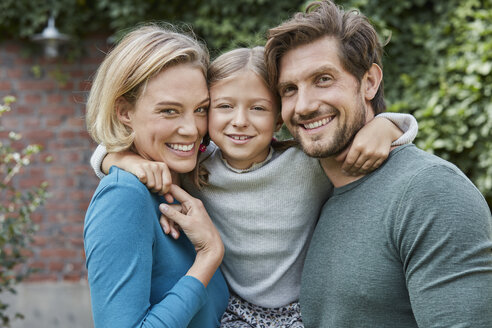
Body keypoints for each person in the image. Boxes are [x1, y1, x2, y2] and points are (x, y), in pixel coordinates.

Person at [90, 44, 418, 327]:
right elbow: (108, 154)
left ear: (279, 117)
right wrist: (121, 160)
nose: (240, 121)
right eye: (222, 107)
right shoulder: (198, 168)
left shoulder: (306, 165)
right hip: (236, 313)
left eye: (258, 108)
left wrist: (383, 126)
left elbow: (371, 137)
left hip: (302, 310)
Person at [264, 1, 492, 327]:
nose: (304, 105)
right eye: (289, 89)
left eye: (324, 79)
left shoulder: (429, 191)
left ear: (369, 81)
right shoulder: (304, 192)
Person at [84, 25, 229, 327]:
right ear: (124, 111)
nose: (192, 129)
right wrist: (208, 256)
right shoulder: (124, 196)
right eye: (169, 111)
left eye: (201, 109)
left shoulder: (192, 173)